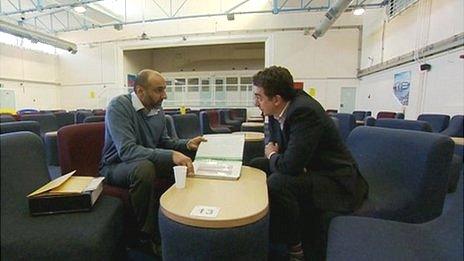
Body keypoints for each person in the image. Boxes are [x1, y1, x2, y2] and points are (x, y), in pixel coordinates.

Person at [249, 66, 368, 260]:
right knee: (256, 164)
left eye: (259, 97)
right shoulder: (274, 111)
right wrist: (274, 154)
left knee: (278, 182)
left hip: (334, 179)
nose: (256, 102)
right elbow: (271, 141)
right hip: (306, 167)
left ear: (276, 99)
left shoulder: (304, 111)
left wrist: (272, 155)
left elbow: (287, 164)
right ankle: (266, 224)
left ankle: (295, 247)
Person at [99, 69, 205, 253]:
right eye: (158, 90)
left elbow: (164, 142)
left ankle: (184, 217)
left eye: (164, 89)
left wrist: (186, 144)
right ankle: (146, 236)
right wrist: (171, 155)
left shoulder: (157, 109)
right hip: (115, 166)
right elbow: (127, 151)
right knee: (144, 168)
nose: (164, 95)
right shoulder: (119, 106)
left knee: (188, 158)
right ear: (140, 91)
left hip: (145, 160)